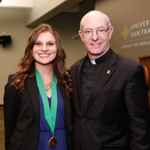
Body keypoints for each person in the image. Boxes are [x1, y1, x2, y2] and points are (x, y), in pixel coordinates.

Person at [70, 10, 150, 150]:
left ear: (110, 32)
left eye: (100, 30)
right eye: (88, 32)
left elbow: (140, 126)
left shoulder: (130, 70)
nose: (95, 37)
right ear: (81, 36)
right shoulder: (73, 69)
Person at [4, 23, 72, 150]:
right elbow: (10, 126)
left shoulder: (66, 81)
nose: (44, 48)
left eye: (50, 44)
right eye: (38, 43)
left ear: (57, 48)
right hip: (30, 145)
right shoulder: (16, 83)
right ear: (31, 48)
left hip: (62, 143)